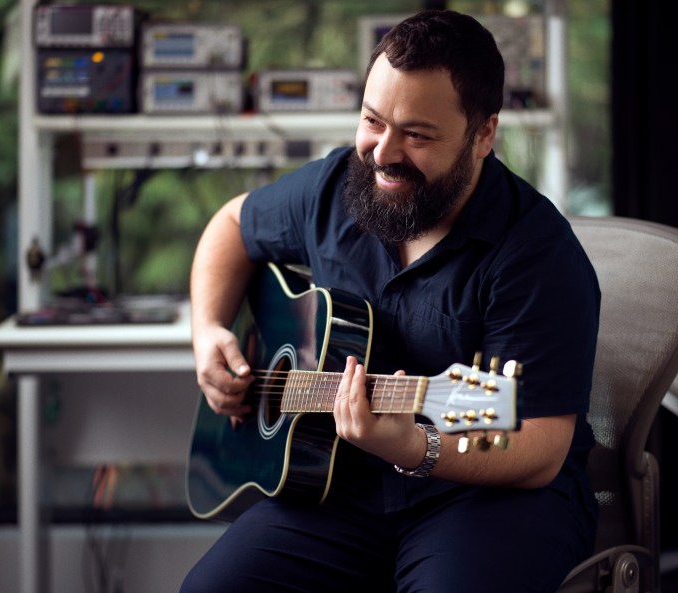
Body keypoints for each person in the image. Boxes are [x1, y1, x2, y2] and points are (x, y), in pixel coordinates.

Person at [181, 9, 600, 593]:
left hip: (488, 497)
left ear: (483, 134)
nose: (383, 152)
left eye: (417, 134)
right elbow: (230, 224)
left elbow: (539, 446)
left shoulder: (537, 255)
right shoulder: (333, 188)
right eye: (373, 121)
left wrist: (416, 446)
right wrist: (209, 333)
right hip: (336, 488)